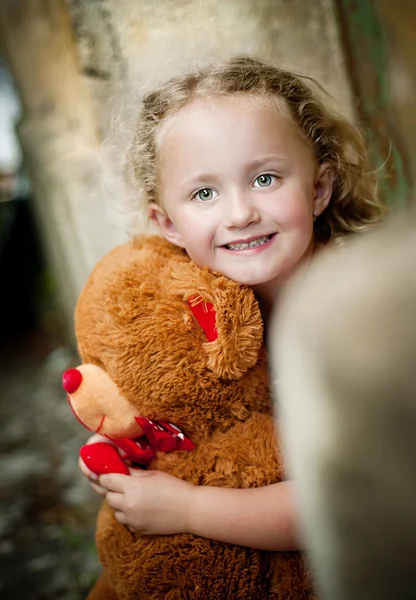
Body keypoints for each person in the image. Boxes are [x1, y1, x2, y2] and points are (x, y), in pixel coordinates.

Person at [79, 55, 385, 552]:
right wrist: (124, 447)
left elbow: (351, 502)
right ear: (168, 225)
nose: (241, 213)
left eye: (265, 179)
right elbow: (180, 408)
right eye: (204, 192)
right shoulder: (192, 310)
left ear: (319, 189)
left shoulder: (364, 314)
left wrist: (186, 509)